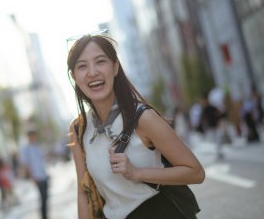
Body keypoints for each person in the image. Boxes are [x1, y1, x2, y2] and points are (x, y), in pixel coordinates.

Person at [67, 34, 205, 219]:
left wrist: (137, 173)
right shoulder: (78, 129)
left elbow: (195, 172)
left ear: (115, 67)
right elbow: (83, 192)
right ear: (74, 76)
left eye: (100, 61)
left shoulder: (143, 117)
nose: (92, 72)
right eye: (82, 66)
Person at [20, 131, 49, 219]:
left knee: (45, 197)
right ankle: (44, 217)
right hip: (37, 176)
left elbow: (42, 160)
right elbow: (26, 164)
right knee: (42, 198)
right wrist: (32, 177)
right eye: (32, 136)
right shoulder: (26, 149)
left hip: (44, 175)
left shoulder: (37, 146)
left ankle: (46, 215)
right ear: (29, 137)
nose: (34, 138)